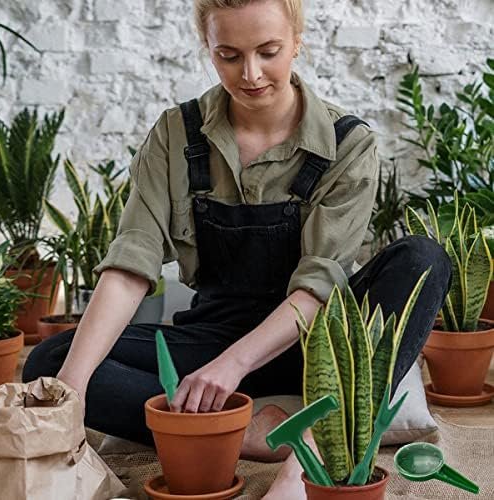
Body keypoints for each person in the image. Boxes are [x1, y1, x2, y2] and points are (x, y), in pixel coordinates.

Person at [23, 0, 452, 497]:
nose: (250, 74)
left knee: (424, 258)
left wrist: (233, 367)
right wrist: (70, 395)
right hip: (212, 336)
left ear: (297, 41)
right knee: (52, 363)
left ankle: (313, 452)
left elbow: (318, 287)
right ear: (207, 47)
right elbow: (130, 266)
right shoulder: (175, 135)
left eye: (268, 52)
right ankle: (253, 434)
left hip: (318, 344)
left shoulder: (347, 144)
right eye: (228, 55)